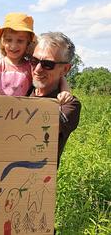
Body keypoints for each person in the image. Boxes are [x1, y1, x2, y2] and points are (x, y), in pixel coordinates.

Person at [0, 12, 71, 103]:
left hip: (21, 114)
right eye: (8, 40)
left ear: (28, 43)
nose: (13, 46)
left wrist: (65, 91)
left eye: (20, 41)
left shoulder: (31, 66)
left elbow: (60, 76)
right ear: (2, 41)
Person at [29, 32, 81, 167]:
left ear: (65, 69)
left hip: (34, 182)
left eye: (48, 64)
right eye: (34, 61)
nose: (37, 69)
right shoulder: (23, 88)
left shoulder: (69, 105)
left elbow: (31, 132)